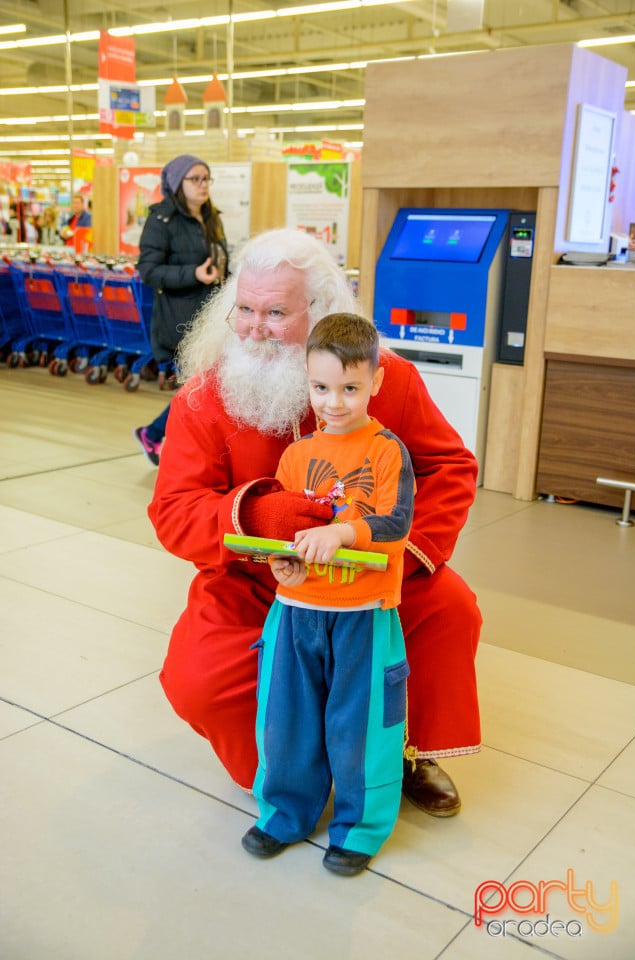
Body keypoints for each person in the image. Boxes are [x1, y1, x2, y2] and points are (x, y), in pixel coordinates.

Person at [148, 227, 482, 818]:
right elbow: (173, 510)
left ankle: (403, 751)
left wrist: (405, 555)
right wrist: (256, 513)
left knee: (450, 608)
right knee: (198, 677)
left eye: (276, 312)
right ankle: (293, 765)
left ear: (321, 311)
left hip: (374, 574)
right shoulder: (204, 398)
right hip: (259, 583)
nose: (253, 327)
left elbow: (448, 466)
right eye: (244, 309)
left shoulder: (389, 379)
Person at [241, 313, 415, 876]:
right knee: (285, 718)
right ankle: (285, 813)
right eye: (320, 388)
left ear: (375, 384)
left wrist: (341, 532)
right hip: (296, 614)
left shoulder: (388, 451)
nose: (334, 403)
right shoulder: (295, 457)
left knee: (361, 726)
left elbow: (396, 523)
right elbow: (290, 534)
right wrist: (280, 561)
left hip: (363, 616)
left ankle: (360, 828)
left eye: (349, 389)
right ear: (307, 382)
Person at [134, 154, 228, 467]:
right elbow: (148, 270)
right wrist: (194, 274)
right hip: (179, 320)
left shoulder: (211, 216)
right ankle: (155, 432)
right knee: (201, 385)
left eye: (206, 178)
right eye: (195, 179)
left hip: (212, 316)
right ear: (177, 183)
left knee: (204, 385)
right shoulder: (162, 220)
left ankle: (164, 435)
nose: (203, 185)